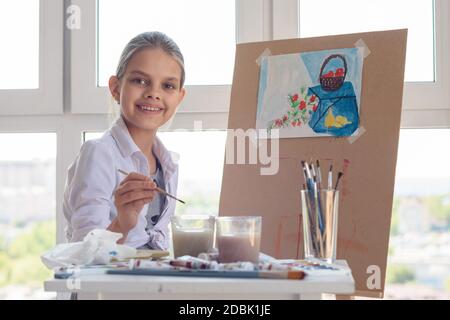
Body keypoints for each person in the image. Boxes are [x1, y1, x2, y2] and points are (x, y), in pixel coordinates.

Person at [63, 31, 186, 249]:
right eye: (140, 80)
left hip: (151, 280)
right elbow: (83, 251)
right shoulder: (99, 154)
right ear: (115, 87)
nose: (153, 93)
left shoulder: (168, 164)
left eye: (167, 86)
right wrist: (122, 223)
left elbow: (156, 240)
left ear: (179, 97)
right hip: (114, 283)